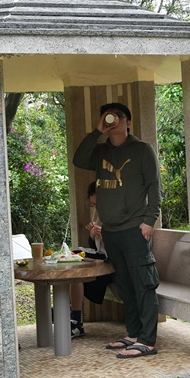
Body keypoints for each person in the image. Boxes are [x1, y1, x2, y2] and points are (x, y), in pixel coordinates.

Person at [72, 102, 162, 358]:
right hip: (110, 231)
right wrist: (97, 130)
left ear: (129, 122)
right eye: (110, 117)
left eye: (119, 116)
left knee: (143, 284)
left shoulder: (142, 150)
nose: (114, 120)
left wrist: (149, 220)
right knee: (125, 285)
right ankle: (133, 334)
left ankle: (147, 340)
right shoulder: (100, 151)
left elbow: (155, 187)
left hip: (135, 228)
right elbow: (78, 159)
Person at [67, 181, 112, 338]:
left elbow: (119, 243)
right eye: (93, 204)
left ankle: (75, 321)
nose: (96, 207)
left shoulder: (117, 213)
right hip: (102, 257)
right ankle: (74, 319)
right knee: (74, 259)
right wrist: (93, 235)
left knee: (76, 267)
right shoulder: (99, 214)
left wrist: (105, 233)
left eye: (97, 203)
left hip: (113, 262)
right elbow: (96, 245)